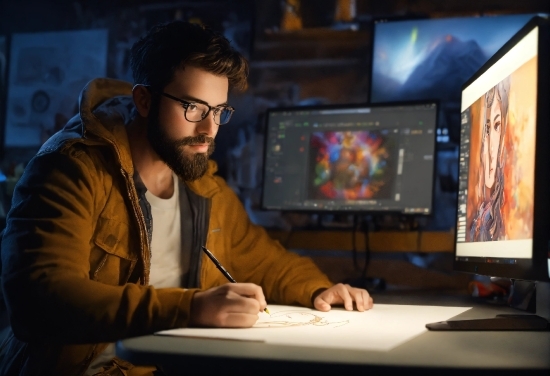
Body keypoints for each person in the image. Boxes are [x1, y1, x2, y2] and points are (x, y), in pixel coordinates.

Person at [0, 21, 372, 375]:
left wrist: (321, 289)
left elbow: (267, 262)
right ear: (144, 100)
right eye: (193, 108)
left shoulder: (202, 185)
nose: (209, 129)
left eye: (219, 111)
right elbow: (39, 302)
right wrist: (191, 307)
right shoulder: (72, 170)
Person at [469, 77, 510, 242]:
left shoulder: (502, 221)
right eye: (487, 128)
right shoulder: (480, 219)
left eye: (497, 125)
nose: (490, 147)